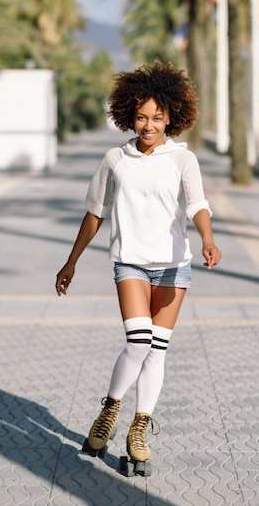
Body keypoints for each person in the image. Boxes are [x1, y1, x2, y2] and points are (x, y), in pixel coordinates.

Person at [55, 61, 222, 473]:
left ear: (171, 117)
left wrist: (208, 238)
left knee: (157, 351)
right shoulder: (116, 159)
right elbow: (95, 213)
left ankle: (139, 426)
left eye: (158, 118)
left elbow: (198, 205)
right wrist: (71, 261)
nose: (149, 125)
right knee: (138, 343)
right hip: (130, 262)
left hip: (174, 267)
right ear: (129, 115)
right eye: (142, 117)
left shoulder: (184, 160)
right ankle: (110, 409)